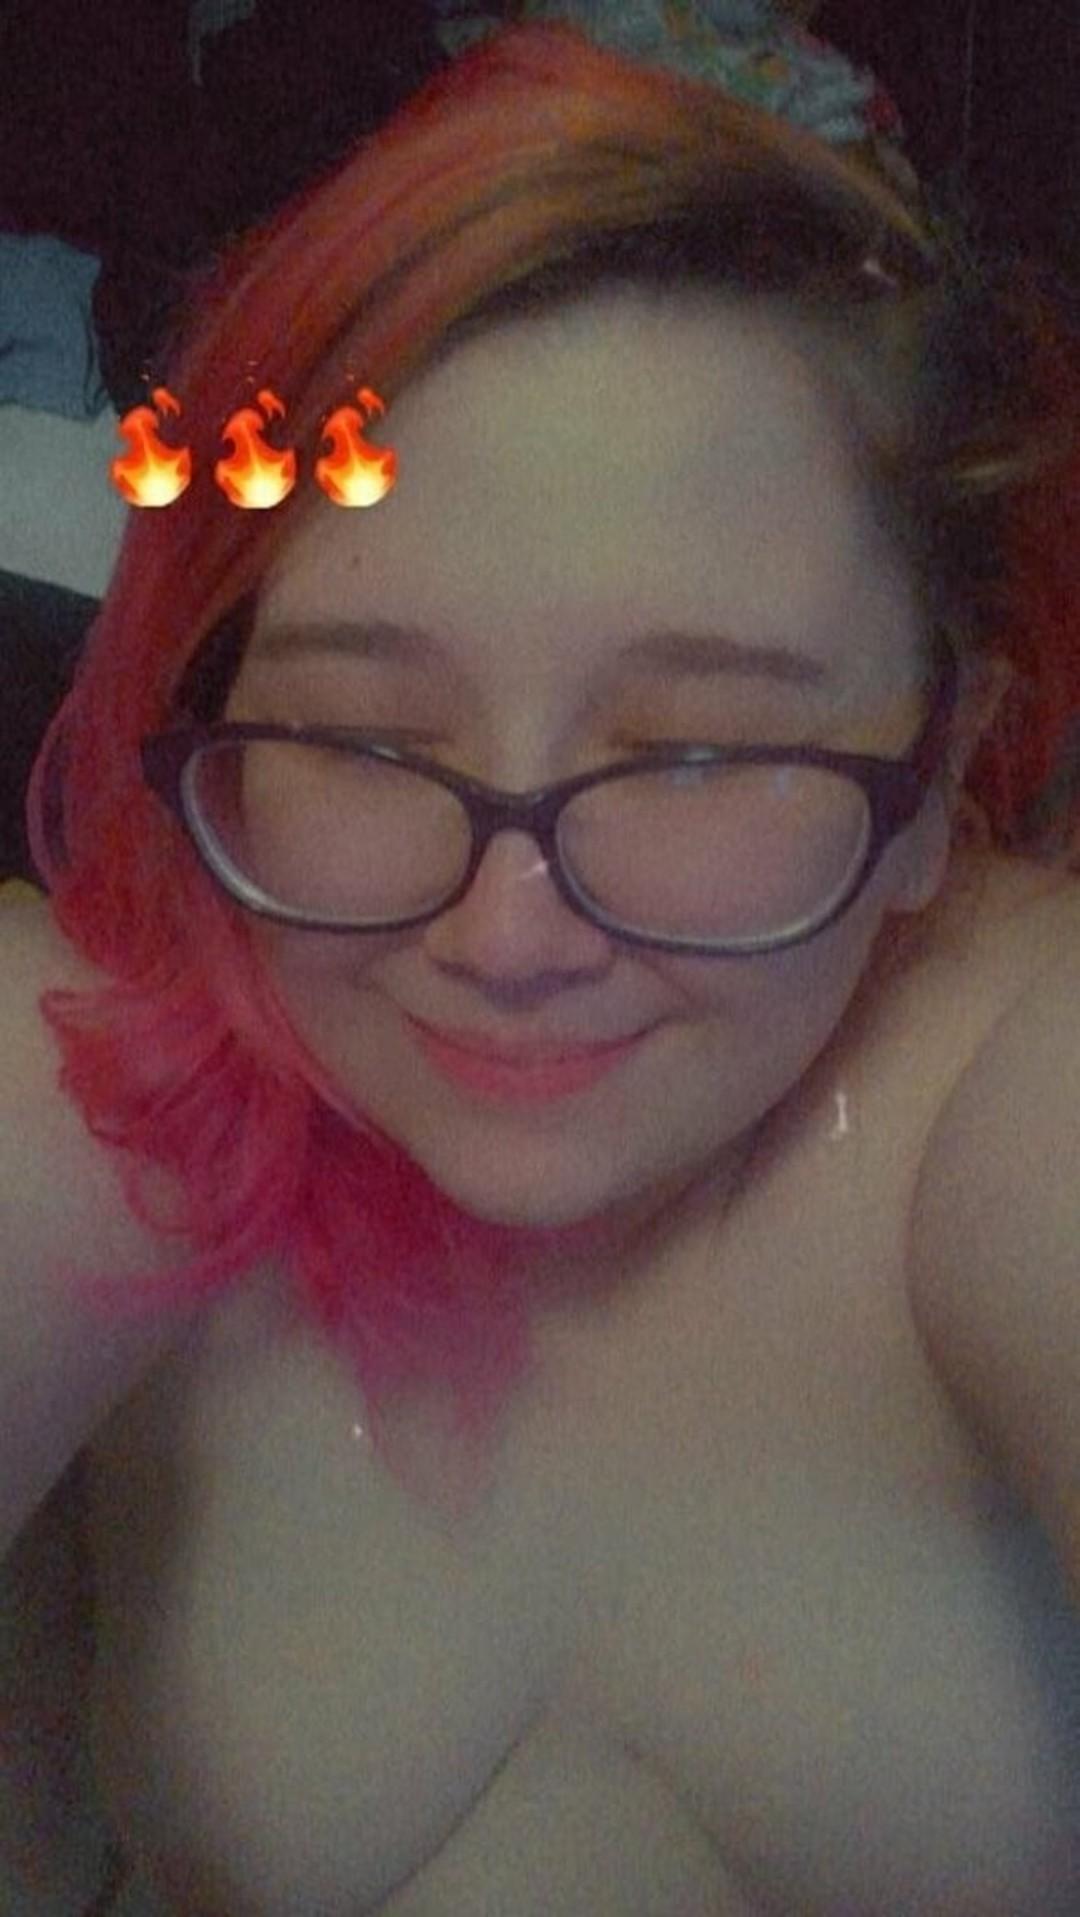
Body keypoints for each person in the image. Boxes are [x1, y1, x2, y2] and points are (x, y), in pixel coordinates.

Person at [3, 8, 1080, 1913]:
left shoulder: (1014, 1093)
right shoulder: (104, 1059)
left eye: (700, 750)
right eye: (358, 736)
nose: (504, 939)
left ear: (937, 777)